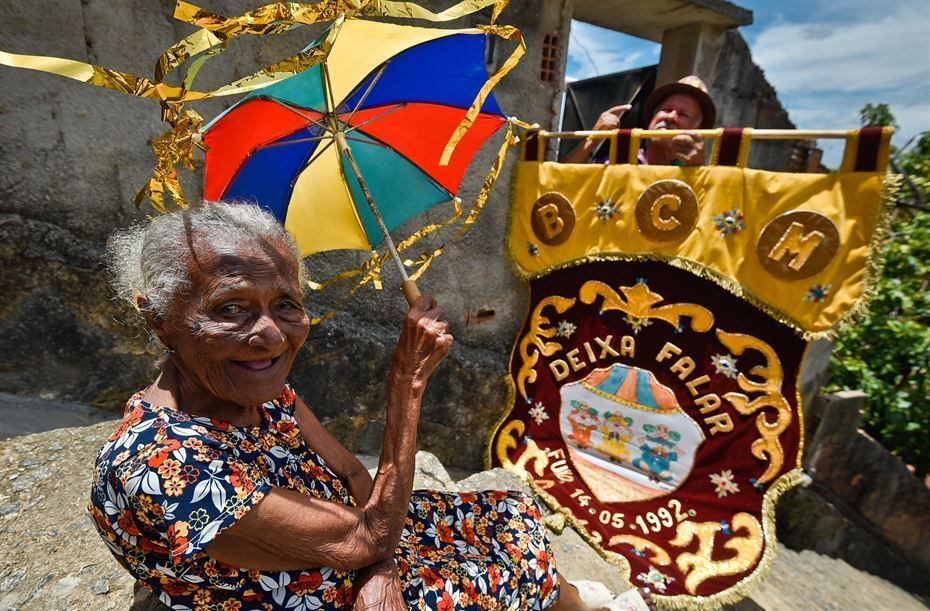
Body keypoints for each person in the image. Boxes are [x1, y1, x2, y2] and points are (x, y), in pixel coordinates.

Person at [87, 201, 622, 610]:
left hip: (350, 545)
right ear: (159, 319)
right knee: (511, 568)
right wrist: (407, 381)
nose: (271, 335)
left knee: (508, 514)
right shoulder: (162, 463)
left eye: (286, 303)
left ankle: (569, 597)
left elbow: (349, 473)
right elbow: (363, 535)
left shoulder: (259, 397)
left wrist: (378, 566)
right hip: (307, 588)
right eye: (231, 308)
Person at [562, 75, 716, 166]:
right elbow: (562, 182)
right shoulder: (618, 162)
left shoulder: (695, 178)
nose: (670, 117)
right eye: (666, 109)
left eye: (683, 114)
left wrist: (698, 169)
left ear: (697, 130)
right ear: (652, 117)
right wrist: (592, 139)